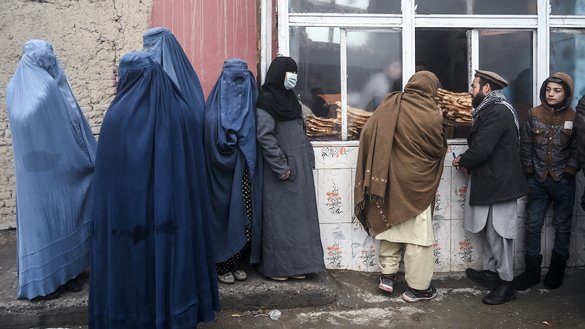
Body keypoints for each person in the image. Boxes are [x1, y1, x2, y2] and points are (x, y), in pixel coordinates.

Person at [89, 52, 219, 328]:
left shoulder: (117, 117)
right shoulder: (182, 113)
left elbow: (107, 186)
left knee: (134, 269)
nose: (118, 81)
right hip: (174, 219)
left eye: (122, 75)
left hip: (127, 227)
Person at [6, 40, 96, 300]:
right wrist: (86, 156)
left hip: (31, 175)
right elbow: (68, 127)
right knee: (62, 219)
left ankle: (54, 277)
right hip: (56, 168)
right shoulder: (47, 87)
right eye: (47, 58)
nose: (51, 61)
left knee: (44, 224)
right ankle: (61, 277)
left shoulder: (15, 87)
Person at [354, 70, 447, 303]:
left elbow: (367, 132)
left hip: (390, 180)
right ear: (431, 89)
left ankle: (387, 277)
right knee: (418, 237)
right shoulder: (432, 113)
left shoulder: (391, 104)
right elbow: (437, 149)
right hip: (419, 185)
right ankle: (416, 289)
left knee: (390, 224)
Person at [453, 70, 528, 305]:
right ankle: (490, 274)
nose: (470, 90)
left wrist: (463, 160)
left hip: (500, 183)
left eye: (474, 86)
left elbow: (483, 147)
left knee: (501, 234)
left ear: (486, 88)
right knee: (488, 230)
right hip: (492, 180)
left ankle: (507, 284)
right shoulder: (491, 109)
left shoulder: (496, 111)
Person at [256, 56, 326, 281]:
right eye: (290, 72)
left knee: (300, 221)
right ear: (279, 74)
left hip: (300, 168)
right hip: (282, 171)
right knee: (281, 222)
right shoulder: (266, 100)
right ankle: (279, 268)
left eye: (295, 72)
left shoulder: (291, 100)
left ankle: (300, 267)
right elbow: (264, 136)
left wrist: (307, 159)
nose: (293, 77)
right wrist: (281, 166)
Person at [514, 72, 578, 291]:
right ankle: (531, 272)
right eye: (548, 89)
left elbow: (578, 149)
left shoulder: (574, 117)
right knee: (532, 224)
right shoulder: (533, 114)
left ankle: (556, 270)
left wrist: (570, 171)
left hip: (563, 181)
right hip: (538, 180)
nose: (551, 94)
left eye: (557, 90)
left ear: (566, 93)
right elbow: (525, 146)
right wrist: (530, 171)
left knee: (562, 226)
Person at [203, 58, 262, 284]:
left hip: (243, 173)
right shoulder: (211, 113)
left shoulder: (252, 107)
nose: (239, 86)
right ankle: (221, 264)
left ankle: (236, 261)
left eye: (242, 80)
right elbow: (209, 142)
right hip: (219, 177)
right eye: (233, 80)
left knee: (242, 213)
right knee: (220, 216)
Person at [142, 27, 206, 134]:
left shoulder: (187, 82)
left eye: (153, 46)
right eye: (146, 47)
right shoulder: (141, 83)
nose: (149, 53)